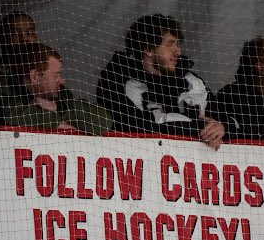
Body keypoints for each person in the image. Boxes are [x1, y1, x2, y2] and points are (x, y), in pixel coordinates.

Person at [96, 14, 227, 149]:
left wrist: (221, 128)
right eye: (170, 44)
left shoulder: (193, 81)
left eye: (177, 44)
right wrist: (200, 130)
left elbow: (229, 118)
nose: (178, 52)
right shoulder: (117, 81)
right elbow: (134, 127)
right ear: (148, 49)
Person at [1, 42, 112, 135]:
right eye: (55, 75)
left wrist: (57, 107)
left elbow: (103, 121)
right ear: (34, 76)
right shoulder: (1, 89)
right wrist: (56, 123)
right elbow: (10, 116)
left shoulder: (60, 92)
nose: (61, 80)